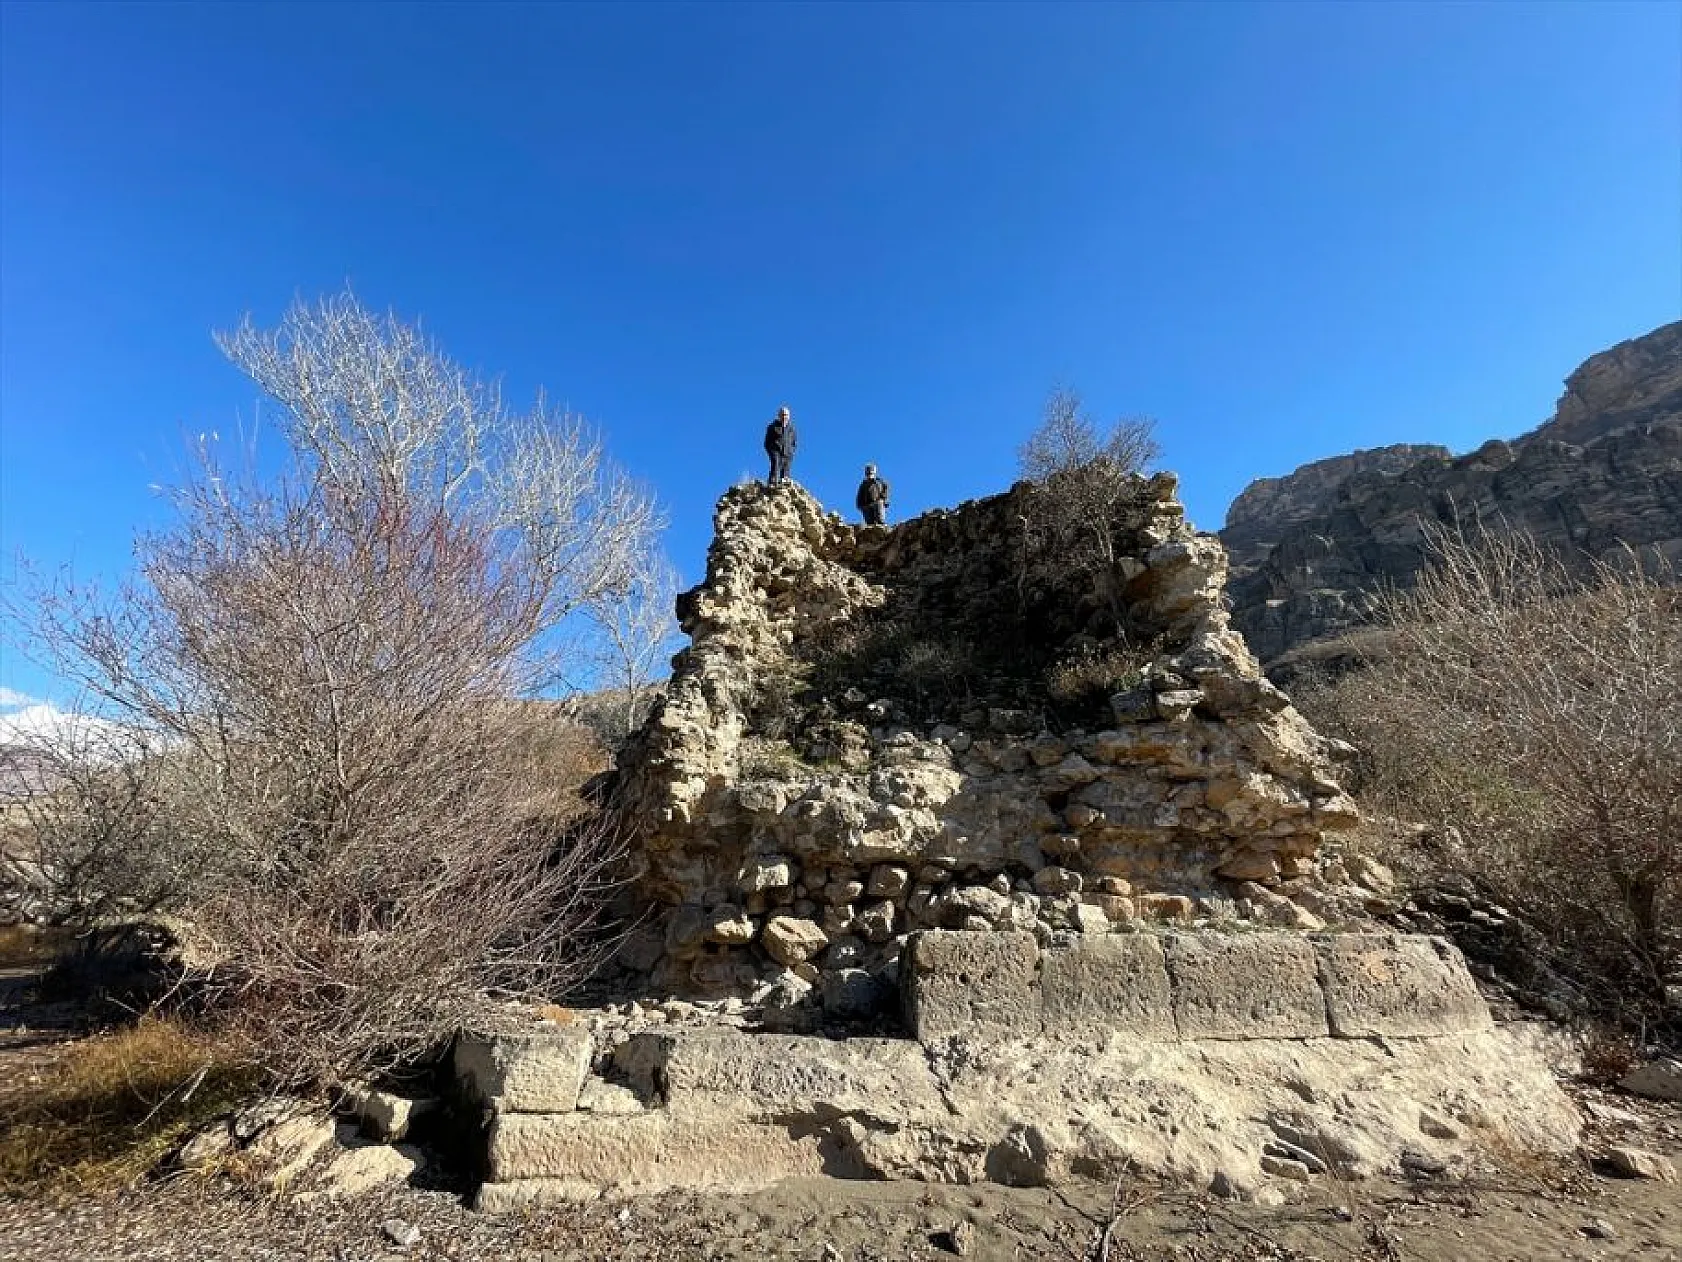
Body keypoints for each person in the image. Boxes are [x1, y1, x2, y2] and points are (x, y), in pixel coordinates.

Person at [764, 406, 797, 487]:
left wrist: (791, 452)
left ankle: (784, 487)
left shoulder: (791, 429)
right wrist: (771, 451)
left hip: (787, 453)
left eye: (786, 415)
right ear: (779, 415)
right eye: (782, 415)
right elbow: (767, 442)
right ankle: (772, 485)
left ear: (789, 416)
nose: (784, 417)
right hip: (775, 451)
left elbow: (794, 442)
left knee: (785, 471)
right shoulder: (772, 427)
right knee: (775, 465)